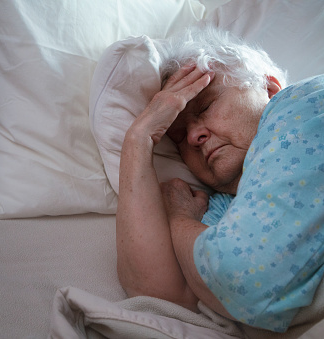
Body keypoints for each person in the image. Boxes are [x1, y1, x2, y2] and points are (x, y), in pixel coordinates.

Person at [116, 25, 324, 333]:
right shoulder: (220, 212)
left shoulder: (304, 105)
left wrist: (179, 221)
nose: (193, 136)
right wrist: (139, 138)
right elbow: (160, 294)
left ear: (268, 89)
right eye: (178, 136)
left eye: (206, 107)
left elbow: (243, 277)